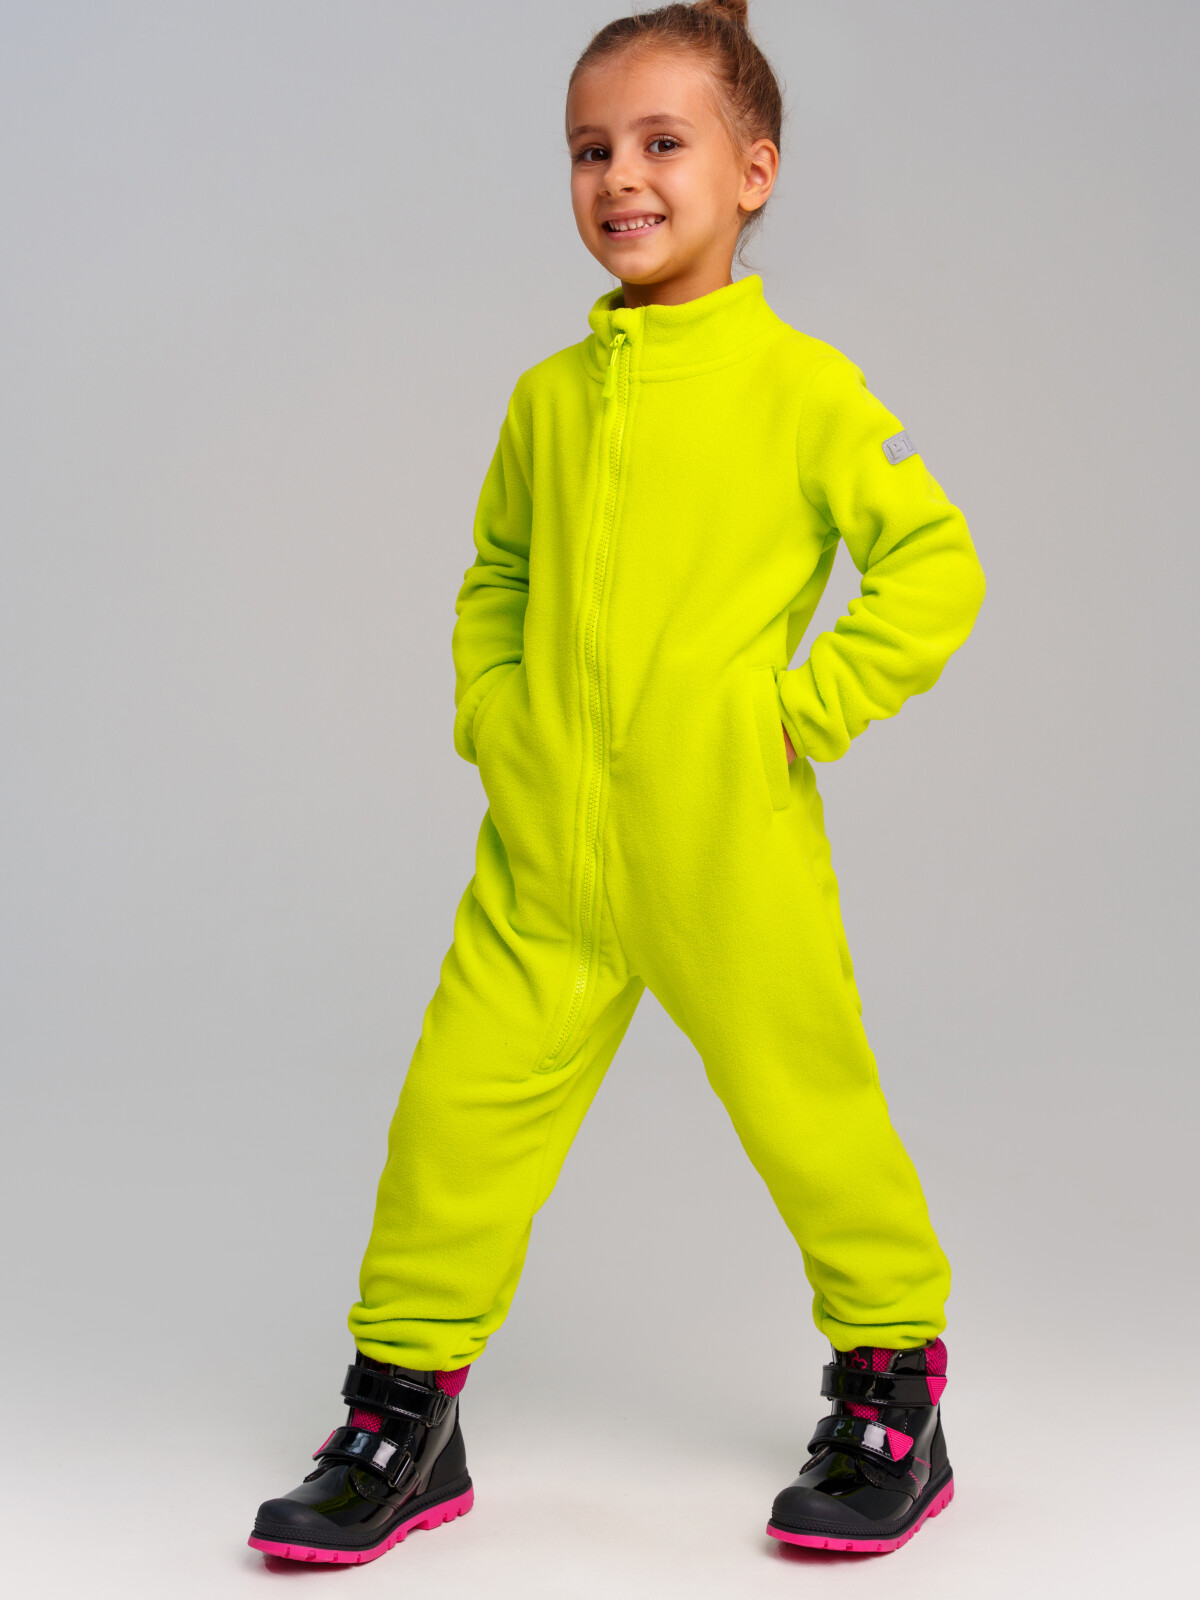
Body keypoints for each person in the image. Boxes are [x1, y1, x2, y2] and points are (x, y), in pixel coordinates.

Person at [248, 0, 985, 1565]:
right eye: (590, 150)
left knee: (811, 1112)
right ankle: (402, 1414)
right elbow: (497, 574)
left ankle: (891, 1394)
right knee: (452, 1125)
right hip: (544, 859)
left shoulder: (803, 389)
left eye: (662, 143)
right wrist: (494, 718)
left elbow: (936, 563)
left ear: (755, 171)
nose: (620, 178)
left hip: (726, 850)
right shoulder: (548, 399)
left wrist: (801, 713)